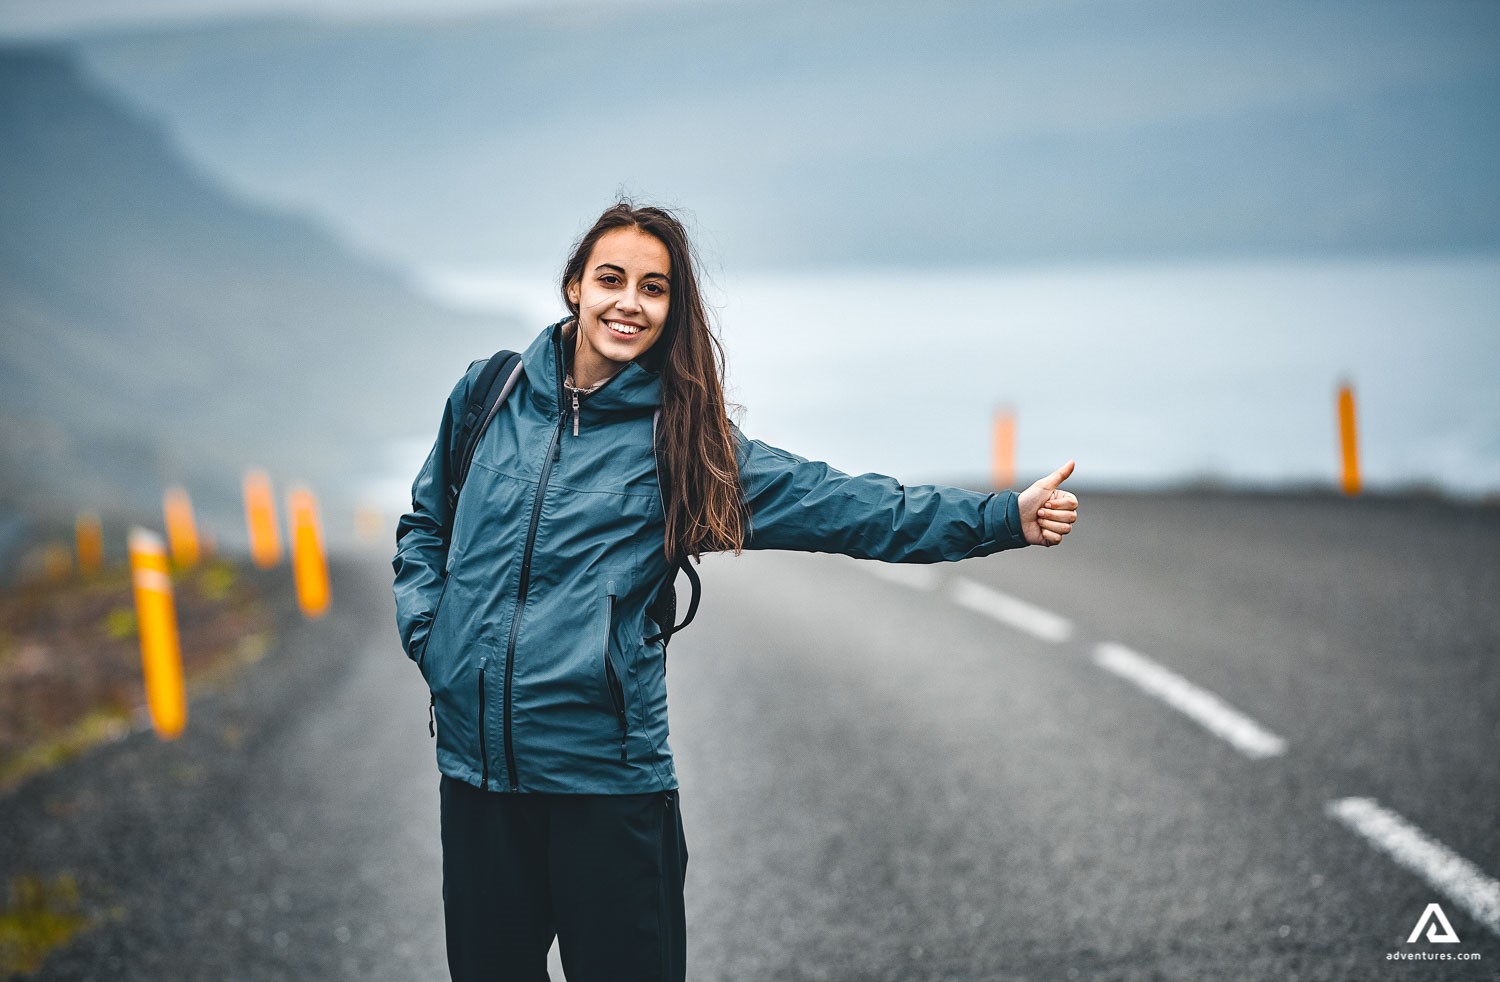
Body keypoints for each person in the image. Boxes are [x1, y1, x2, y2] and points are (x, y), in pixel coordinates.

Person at [392, 201, 1079, 982]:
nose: (630, 302)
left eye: (654, 289)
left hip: (606, 788)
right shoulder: (489, 395)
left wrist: (1001, 517)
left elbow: (846, 507)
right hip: (479, 783)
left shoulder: (684, 443)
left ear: (671, 310)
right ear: (574, 286)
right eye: (611, 279)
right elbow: (426, 525)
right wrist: (431, 637)